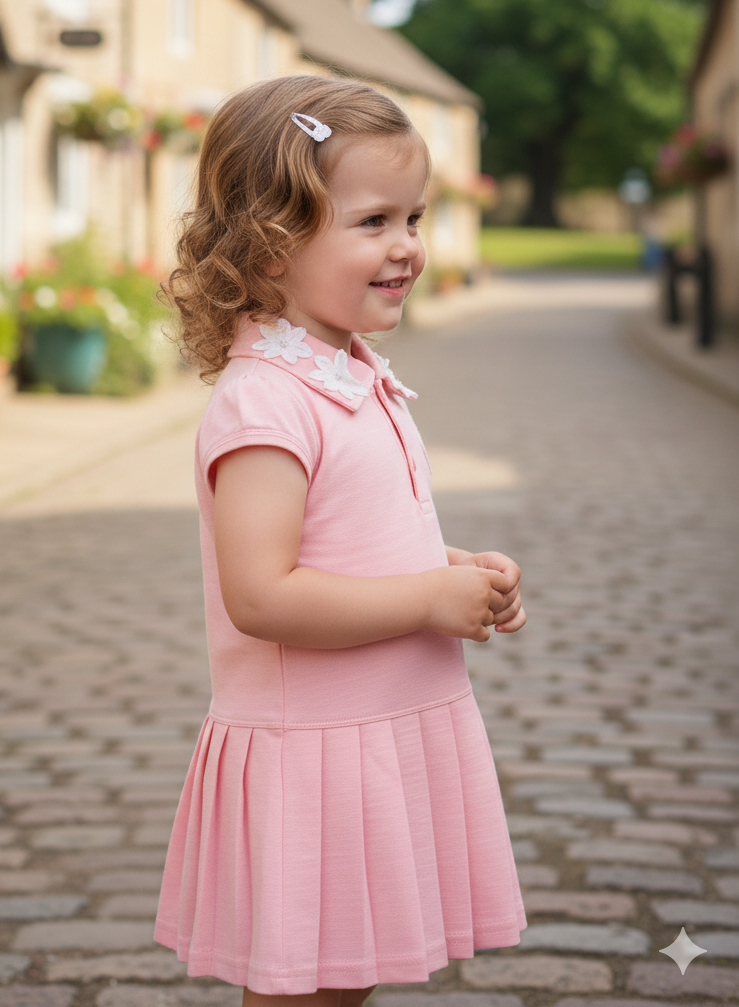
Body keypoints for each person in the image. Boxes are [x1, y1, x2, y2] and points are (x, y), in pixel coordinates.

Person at [155, 75, 527, 1007]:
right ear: (270, 245)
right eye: (373, 223)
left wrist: (457, 573)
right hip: (316, 753)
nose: (407, 246)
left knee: (345, 984)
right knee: (303, 993)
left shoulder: (347, 373)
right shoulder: (266, 402)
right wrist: (425, 601)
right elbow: (264, 595)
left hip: (378, 738)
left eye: (416, 217)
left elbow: (356, 546)